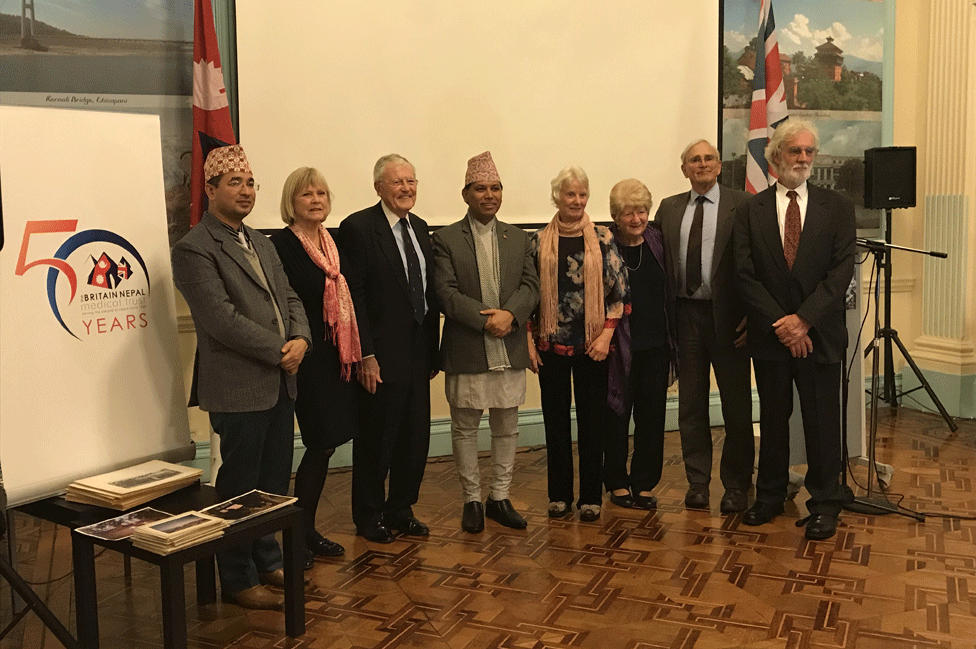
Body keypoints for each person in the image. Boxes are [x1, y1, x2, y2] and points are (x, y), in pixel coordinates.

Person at [172, 145, 311, 610]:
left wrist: (302, 341)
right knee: (238, 486)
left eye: (251, 182)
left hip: (279, 380)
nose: (247, 191)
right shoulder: (193, 248)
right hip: (239, 386)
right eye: (235, 182)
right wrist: (280, 350)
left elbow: (291, 299)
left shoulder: (263, 241)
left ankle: (266, 558)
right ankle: (235, 577)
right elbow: (220, 319)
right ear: (210, 189)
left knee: (272, 483)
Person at [734, 119, 855, 540]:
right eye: (794, 151)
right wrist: (783, 325)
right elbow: (744, 274)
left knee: (822, 421)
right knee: (773, 417)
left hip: (818, 334)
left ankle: (824, 501)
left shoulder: (835, 206)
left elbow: (840, 273)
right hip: (771, 337)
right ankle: (769, 496)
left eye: (809, 152)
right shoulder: (751, 209)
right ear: (775, 157)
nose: (803, 159)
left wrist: (803, 320)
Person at [432, 151, 540, 534]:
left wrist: (510, 315)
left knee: (507, 425)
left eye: (495, 188)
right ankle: (472, 500)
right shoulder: (444, 238)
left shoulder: (520, 237)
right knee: (464, 426)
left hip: (508, 346)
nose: (489, 195)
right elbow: (445, 293)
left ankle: (499, 497)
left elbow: (531, 286)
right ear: (466, 194)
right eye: (481, 188)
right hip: (468, 345)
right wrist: (488, 319)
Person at [339, 154, 439, 544]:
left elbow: (427, 294)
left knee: (414, 440)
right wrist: (365, 354)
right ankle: (368, 516)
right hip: (379, 356)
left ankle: (400, 508)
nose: (406, 189)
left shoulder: (421, 227)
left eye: (411, 182)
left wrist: (433, 351)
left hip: (418, 354)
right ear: (379, 186)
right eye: (398, 182)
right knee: (377, 440)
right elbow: (355, 297)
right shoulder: (358, 228)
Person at [654, 139, 754, 513]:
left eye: (709, 158)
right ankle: (697, 482)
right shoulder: (669, 208)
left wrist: (753, 316)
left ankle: (737, 485)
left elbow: (755, 262)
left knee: (737, 406)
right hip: (685, 317)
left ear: (719, 166)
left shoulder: (741, 205)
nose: (702, 164)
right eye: (694, 160)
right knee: (691, 405)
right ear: (684, 169)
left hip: (730, 320)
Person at [528, 167, 628, 522]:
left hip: (593, 347)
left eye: (582, 194)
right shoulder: (539, 241)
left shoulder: (602, 238)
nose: (577, 200)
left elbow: (619, 294)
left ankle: (590, 497)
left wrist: (605, 337)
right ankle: (558, 496)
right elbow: (529, 296)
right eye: (570, 194)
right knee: (554, 423)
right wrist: (529, 338)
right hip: (549, 346)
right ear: (557, 197)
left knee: (592, 424)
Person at [271, 167, 361, 559]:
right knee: (314, 443)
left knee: (324, 447)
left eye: (322, 193)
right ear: (291, 202)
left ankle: (304, 531)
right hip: (302, 357)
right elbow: (283, 302)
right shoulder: (280, 245)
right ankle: (289, 538)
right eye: (307, 194)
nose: (316, 200)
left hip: (335, 357)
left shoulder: (333, 242)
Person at [605, 180, 677, 510]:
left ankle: (645, 483)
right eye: (628, 213)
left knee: (651, 416)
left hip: (655, 344)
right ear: (615, 216)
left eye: (642, 211)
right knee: (616, 414)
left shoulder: (659, 241)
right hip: (618, 345)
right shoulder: (604, 245)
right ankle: (617, 482)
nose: (636, 219)